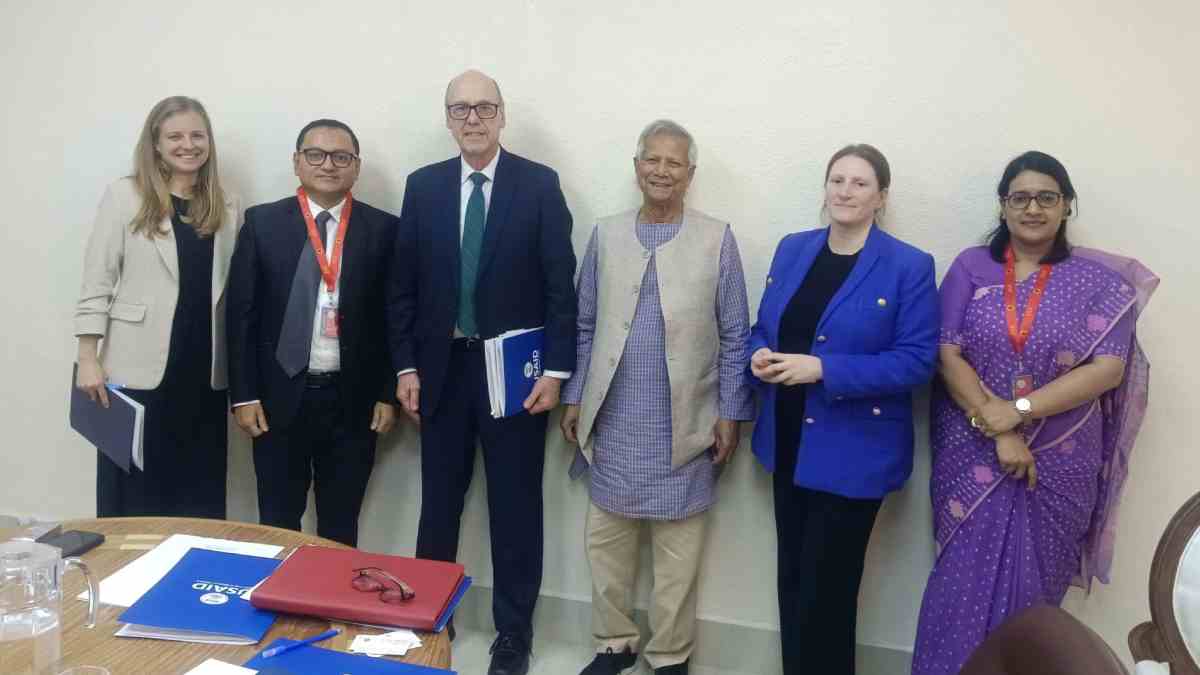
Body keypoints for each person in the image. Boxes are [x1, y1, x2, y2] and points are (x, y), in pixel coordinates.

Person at [911, 151, 1158, 675]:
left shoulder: (1098, 283)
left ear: (1067, 206)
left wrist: (1017, 411)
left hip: (1059, 462)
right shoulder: (970, 268)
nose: (1033, 208)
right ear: (1003, 207)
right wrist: (997, 427)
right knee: (957, 588)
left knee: (1035, 601)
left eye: (1047, 197)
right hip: (972, 452)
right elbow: (946, 351)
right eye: (1019, 197)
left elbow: (1107, 368)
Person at [387, 69, 576, 675]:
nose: (473, 118)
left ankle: (512, 637)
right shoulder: (424, 187)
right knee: (438, 505)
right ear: (447, 118)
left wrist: (556, 370)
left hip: (515, 377)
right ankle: (426, 623)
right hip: (441, 371)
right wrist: (407, 365)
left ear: (502, 115)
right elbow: (403, 289)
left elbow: (559, 288)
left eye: (484, 107)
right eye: (461, 108)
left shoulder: (539, 185)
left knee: (516, 508)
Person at [560, 120, 753, 675]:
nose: (661, 170)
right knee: (608, 543)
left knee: (678, 554)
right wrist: (575, 396)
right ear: (637, 166)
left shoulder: (717, 238)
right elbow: (585, 322)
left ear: (690, 174)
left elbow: (737, 331)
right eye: (652, 160)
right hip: (615, 418)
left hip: (687, 420)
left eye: (674, 163)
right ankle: (613, 643)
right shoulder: (607, 233)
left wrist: (731, 412)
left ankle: (670, 656)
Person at [747, 144, 938, 675]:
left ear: (881, 196)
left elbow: (917, 361)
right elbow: (764, 328)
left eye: (859, 183)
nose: (845, 192)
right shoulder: (792, 249)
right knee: (792, 580)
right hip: (786, 441)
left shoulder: (908, 266)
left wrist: (824, 369)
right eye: (837, 181)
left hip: (855, 454)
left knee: (827, 593)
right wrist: (757, 353)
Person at [226, 118, 398, 547]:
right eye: (315, 155)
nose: (328, 165)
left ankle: (330, 613)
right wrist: (243, 395)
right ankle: (280, 611)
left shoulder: (384, 230)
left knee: (340, 526)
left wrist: (387, 392)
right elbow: (240, 316)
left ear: (355, 167)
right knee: (278, 522)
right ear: (297, 162)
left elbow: (393, 317)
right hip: (276, 400)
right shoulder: (262, 224)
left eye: (341, 157)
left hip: (353, 402)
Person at [75, 96, 242, 518]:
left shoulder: (226, 203)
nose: (188, 145)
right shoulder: (124, 196)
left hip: (204, 373)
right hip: (135, 370)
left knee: (197, 493)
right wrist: (87, 359)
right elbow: (97, 280)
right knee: (133, 494)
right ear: (155, 143)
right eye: (175, 136)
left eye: (197, 135)